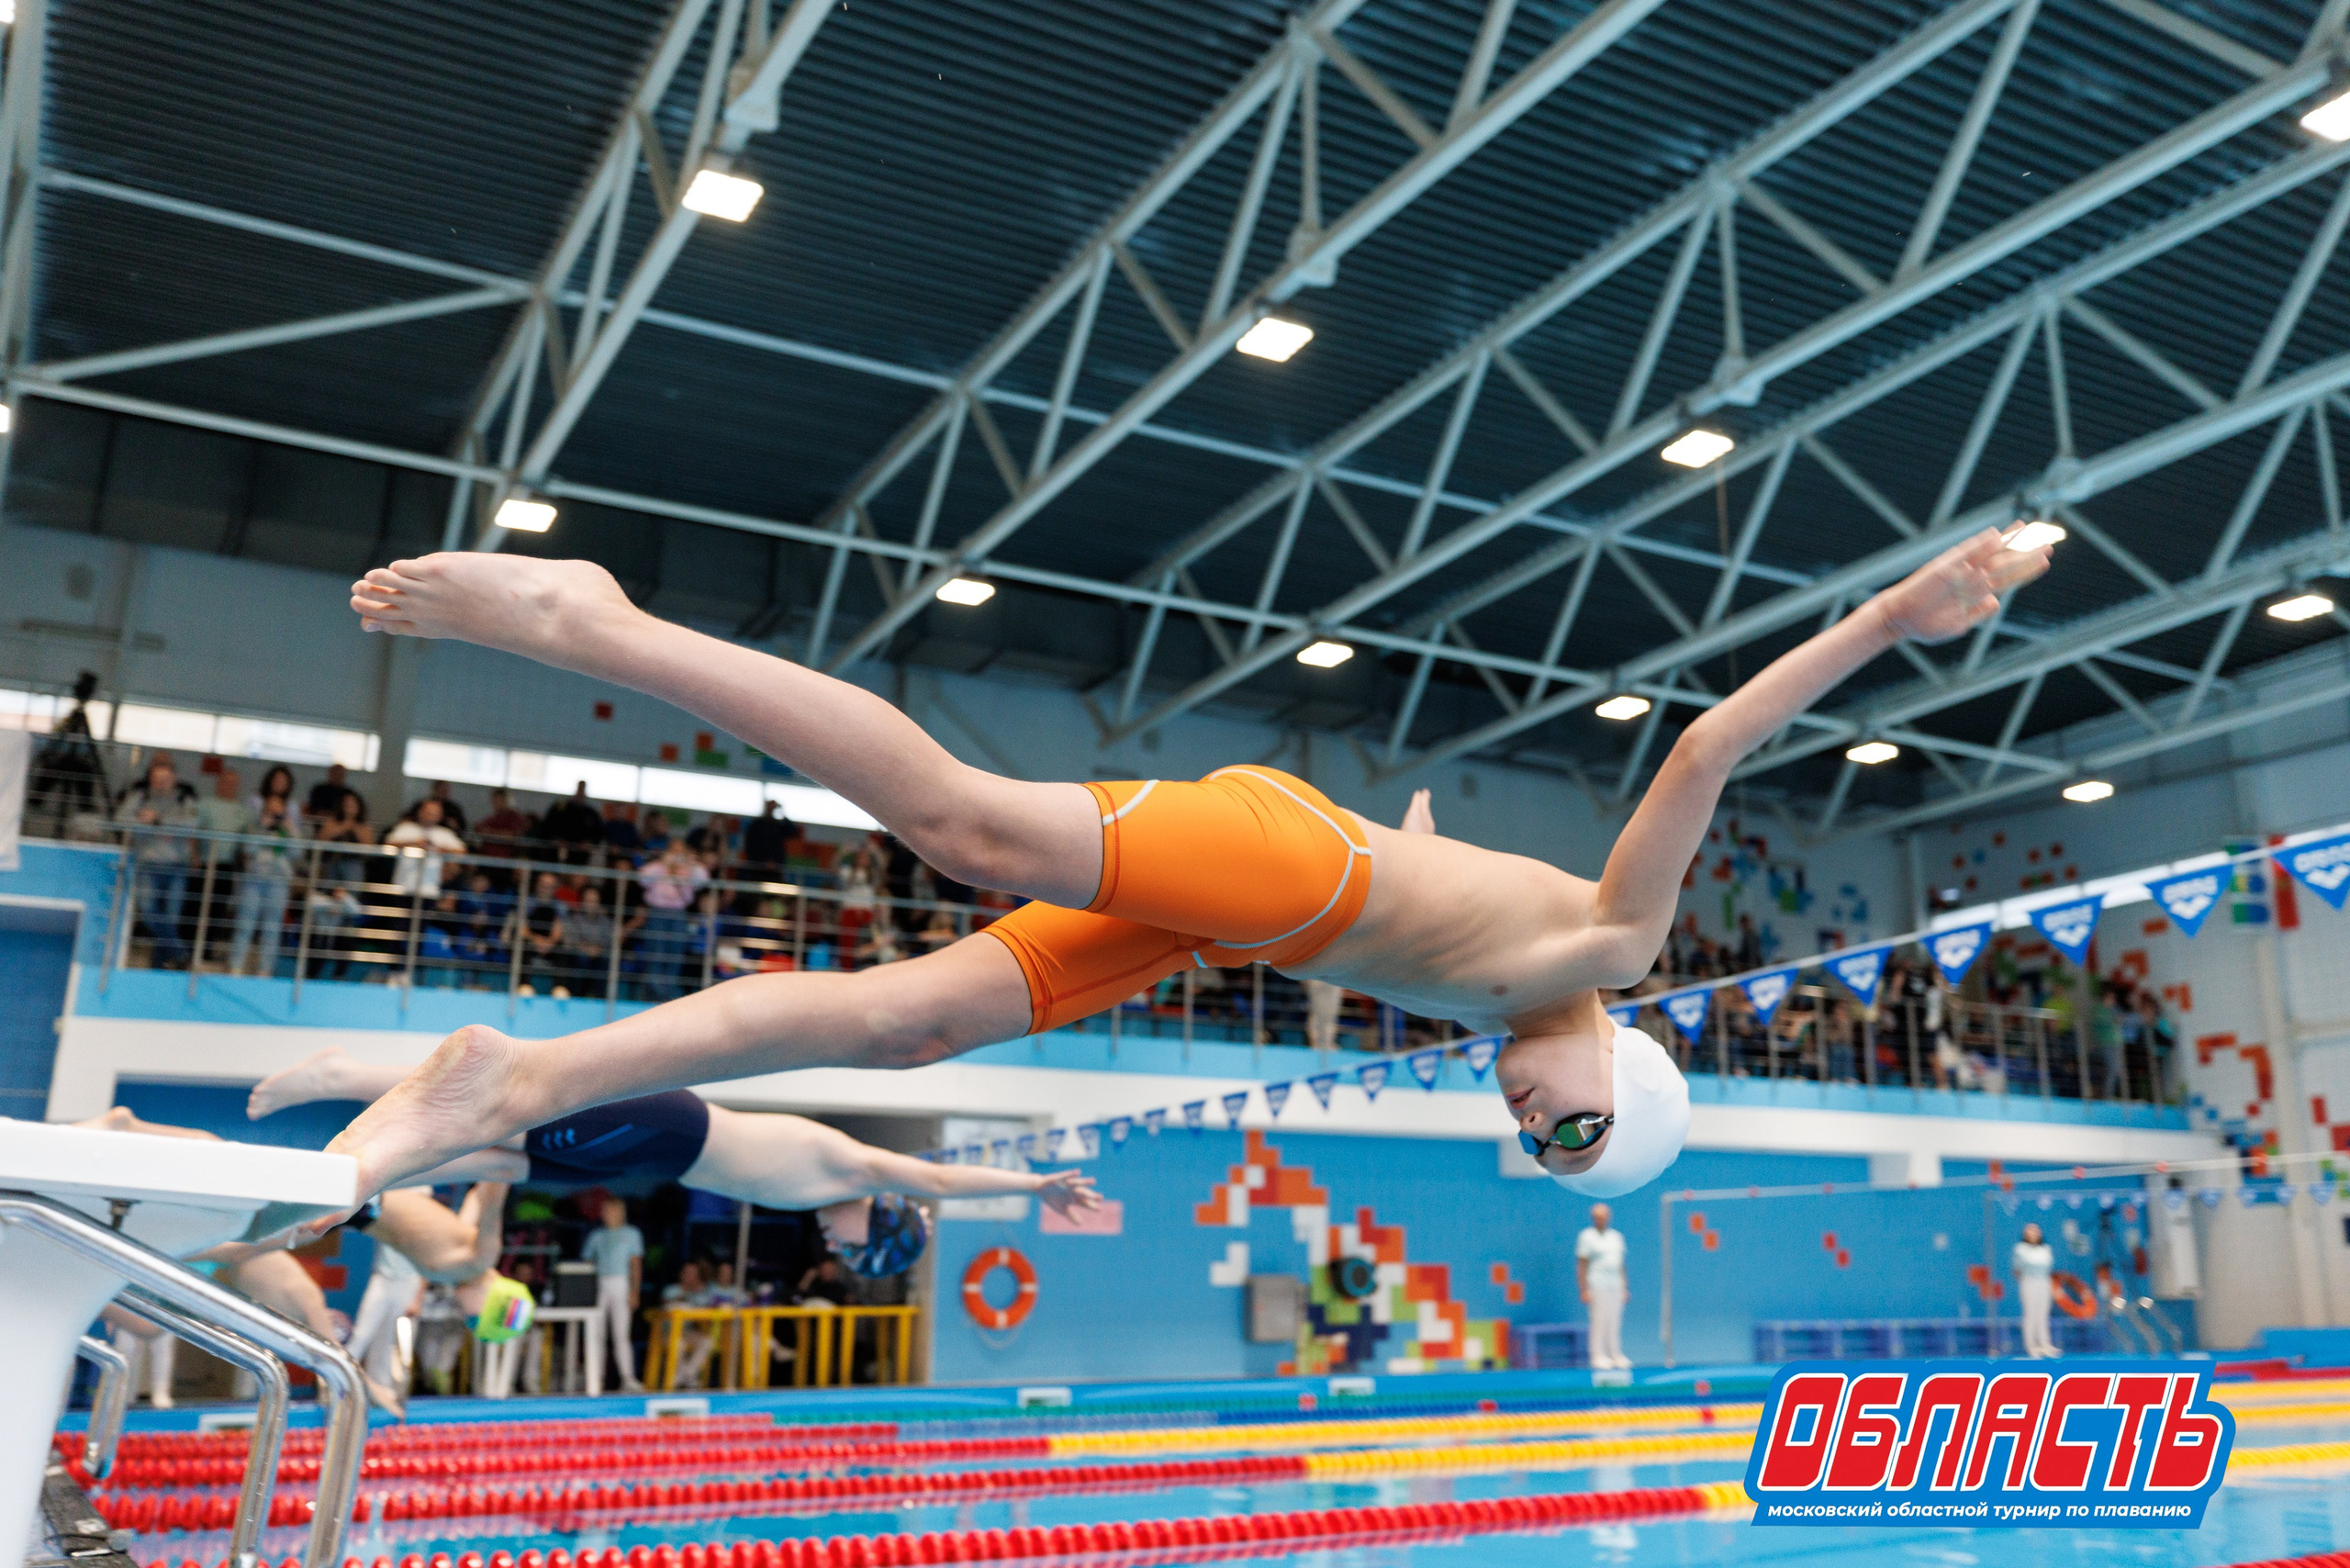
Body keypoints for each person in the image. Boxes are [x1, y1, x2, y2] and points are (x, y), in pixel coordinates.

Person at [325, 532, 2049, 1205]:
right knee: (967, 821)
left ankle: (516, 1073)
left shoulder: (1507, 1001)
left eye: (1541, 1146)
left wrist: (1417, 875)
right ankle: (597, 622)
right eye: (1574, 1123)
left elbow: (1433, 914)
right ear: (1635, 1064)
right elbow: (1701, 750)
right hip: (1273, 856)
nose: (1533, 1118)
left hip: (1234, 916)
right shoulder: (1617, 938)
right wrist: (1897, 612)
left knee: (906, 1026)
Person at [252, 1047, 1103, 1289]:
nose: (833, 1250)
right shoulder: (852, 1166)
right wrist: (1038, 1185)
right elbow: (943, 1181)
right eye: (852, 1249)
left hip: (657, 1154)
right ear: (878, 1220)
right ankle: (343, 1081)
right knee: (489, 1116)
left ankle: (348, 1177)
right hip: (667, 1127)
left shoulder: (832, 1189)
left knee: (502, 1164)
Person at [229, 775, 304, 977]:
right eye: (271, 810)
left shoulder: (288, 830)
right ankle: (236, 966)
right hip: (254, 880)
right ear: (264, 810)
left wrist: (290, 831)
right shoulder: (255, 826)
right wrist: (263, 826)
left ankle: (265, 969)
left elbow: (298, 854)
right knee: (246, 923)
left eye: (278, 810)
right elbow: (248, 849)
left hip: (278, 882)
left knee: (272, 928)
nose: (275, 814)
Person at [584, 1197, 648, 1394]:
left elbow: (635, 1264)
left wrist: (634, 1291)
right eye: (605, 1211)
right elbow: (588, 1263)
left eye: (611, 1211)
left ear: (621, 1213)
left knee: (621, 1333)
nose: (607, 1215)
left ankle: (627, 1378)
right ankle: (595, 1378)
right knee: (596, 1334)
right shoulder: (596, 1235)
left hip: (621, 1282)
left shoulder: (632, 1234)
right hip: (599, 1283)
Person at [1575, 1202, 1629, 1372]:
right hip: (1596, 1284)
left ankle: (1615, 1354)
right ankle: (1597, 1355)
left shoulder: (1616, 1237)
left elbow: (1620, 1265)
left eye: (1604, 1216)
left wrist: (1624, 1287)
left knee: (1614, 1321)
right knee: (1599, 1320)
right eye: (1598, 1217)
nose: (1601, 1220)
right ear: (1593, 1218)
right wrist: (1583, 1289)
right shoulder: (1586, 1237)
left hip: (1615, 1285)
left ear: (1609, 1217)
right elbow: (1582, 1265)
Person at [2014, 1221, 2056, 1360]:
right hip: (2028, 1281)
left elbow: (2047, 1265)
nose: (2033, 1234)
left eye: (2036, 1231)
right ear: (2025, 1234)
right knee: (2031, 1314)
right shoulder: (2020, 1249)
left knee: (2043, 1313)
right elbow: (2018, 1269)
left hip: (2043, 1282)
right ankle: (2031, 1346)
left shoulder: (2045, 1249)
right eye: (2030, 1231)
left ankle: (2045, 1344)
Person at [304, 762, 365, 826]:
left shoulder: (349, 793)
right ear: (330, 774)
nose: (337, 776)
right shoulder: (319, 790)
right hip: (321, 824)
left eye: (340, 774)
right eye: (335, 773)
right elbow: (313, 810)